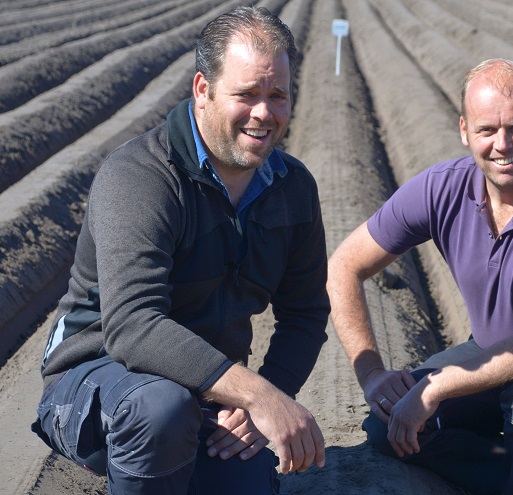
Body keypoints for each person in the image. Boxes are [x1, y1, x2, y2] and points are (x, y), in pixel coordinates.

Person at [31, 7, 329, 494]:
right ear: (202, 90)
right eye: (246, 94)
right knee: (158, 411)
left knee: (247, 483)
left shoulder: (292, 186)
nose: (264, 113)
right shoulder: (142, 176)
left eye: (277, 95)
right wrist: (259, 394)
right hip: (94, 379)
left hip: (203, 390)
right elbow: (133, 327)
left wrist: (264, 402)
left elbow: (305, 312)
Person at [327, 59, 513, 494]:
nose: (503, 144)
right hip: (492, 351)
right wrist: (373, 374)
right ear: (464, 131)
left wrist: (438, 388)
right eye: (487, 129)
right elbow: (343, 266)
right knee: (387, 427)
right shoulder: (441, 189)